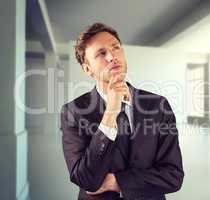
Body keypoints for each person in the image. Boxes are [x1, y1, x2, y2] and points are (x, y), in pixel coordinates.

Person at [60, 22, 184, 200]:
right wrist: (111, 111)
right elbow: (85, 179)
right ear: (88, 69)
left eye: (116, 48)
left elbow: (173, 176)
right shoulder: (73, 112)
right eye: (101, 53)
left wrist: (116, 182)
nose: (112, 56)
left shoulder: (158, 105)